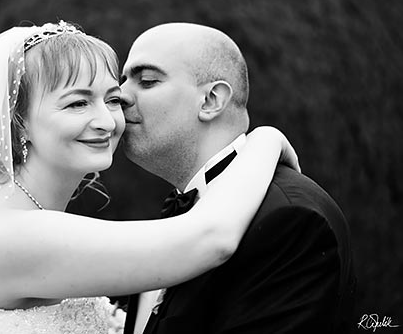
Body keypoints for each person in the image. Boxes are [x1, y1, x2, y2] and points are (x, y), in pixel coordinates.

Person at [0, 22, 299, 333]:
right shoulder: (11, 235)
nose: (107, 120)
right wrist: (264, 139)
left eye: (111, 98)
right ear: (18, 122)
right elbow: (211, 240)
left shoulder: (13, 215)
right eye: (77, 104)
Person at [118, 22, 355, 334]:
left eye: (146, 81)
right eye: (123, 81)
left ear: (211, 100)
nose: (119, 95)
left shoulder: (290, 221)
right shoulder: (181, 215)